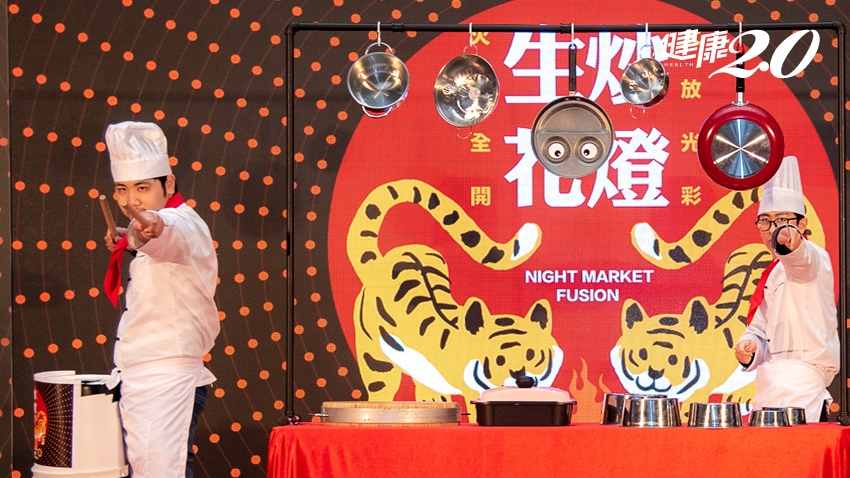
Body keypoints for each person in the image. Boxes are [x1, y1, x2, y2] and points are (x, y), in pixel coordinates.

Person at [102, 121, 220, 477]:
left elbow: (164, 231)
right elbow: (146, 234)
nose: (131, 201)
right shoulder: (171, 222)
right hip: (149, 380)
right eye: (122, 189)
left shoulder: (180, 222)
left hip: (165, 382)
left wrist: (148, 229)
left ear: (168, 183)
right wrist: (131, 236)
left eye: (142, 187)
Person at [734, 155, 840, 423]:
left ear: (802, 224)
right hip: (769, 384)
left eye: (782, 219)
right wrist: (749, 346)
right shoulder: (772, 271)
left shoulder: (814, 257)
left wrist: (793, 245)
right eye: (765, 221)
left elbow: (801, 261)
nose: (773, 229)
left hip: (803, 383)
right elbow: (761, 327)